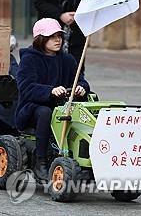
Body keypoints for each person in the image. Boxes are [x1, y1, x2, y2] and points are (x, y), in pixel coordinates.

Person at [15, 18, 90, 181]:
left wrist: (82, 87)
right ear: (41, 39)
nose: (58, 40)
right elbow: (25, 87)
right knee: (45, 112)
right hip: (33, 107)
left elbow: (80, 79)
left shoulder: (67, 59)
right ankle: (40, 161)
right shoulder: (30, 59)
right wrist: (50, 91)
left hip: (64, 106)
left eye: (59, 36)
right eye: (52, 36)